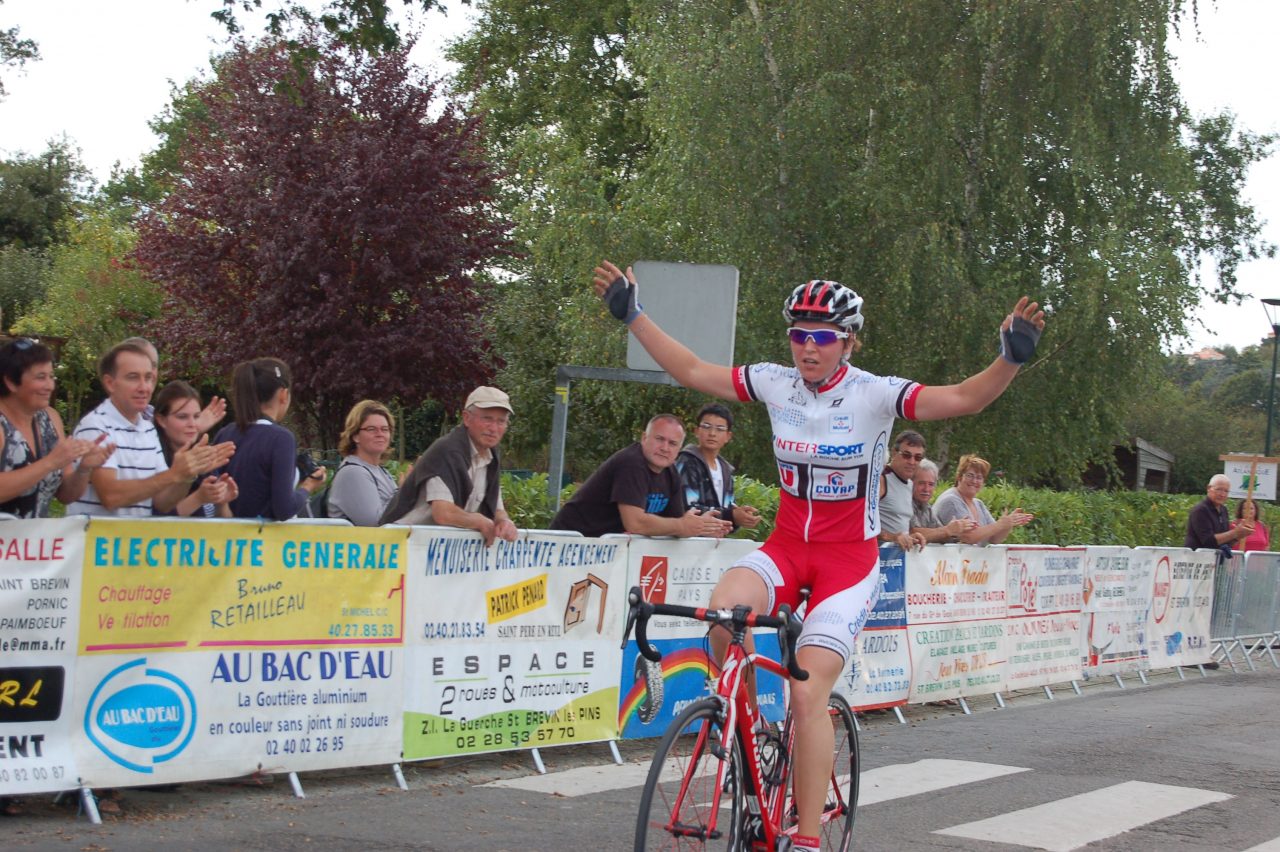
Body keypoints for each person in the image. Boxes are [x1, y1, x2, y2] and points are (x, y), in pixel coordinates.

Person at [590, 258, 1044, 850]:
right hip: (786, 548)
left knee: (807, 692)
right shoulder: (776, 381)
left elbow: (962, 398)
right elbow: (694, 369)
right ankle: (748, 741)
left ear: (848, 340)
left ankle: (805, 837)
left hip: (847, 563)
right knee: (725, 617)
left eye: (822, 337)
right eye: (798, 335)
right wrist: (635, 317)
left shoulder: (874, 394)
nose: (808, 347)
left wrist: (1008, 360)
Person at [65, 342, 233, 517]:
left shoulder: (147, 428)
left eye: (148, 378)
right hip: (95, 542)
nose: (144, 387)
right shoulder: (95, 426)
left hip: (132, 542)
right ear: (110, 383)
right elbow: (111, 496)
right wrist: (174, 474)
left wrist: (188, 475)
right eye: (133, 377)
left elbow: (163, 502)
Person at [550, 413, 734, 539]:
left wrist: (703, 527)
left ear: (679, 449)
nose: (665, 448)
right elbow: (636, 523)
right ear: (644, 438)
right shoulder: (631, 463)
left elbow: (675, 523)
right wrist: (682, 526)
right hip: (570, 545)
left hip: (606, 554)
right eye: (659, 439)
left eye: (672, 443)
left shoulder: (671, 473)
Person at [378, 386, 518, 544]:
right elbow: (443, 513)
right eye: (487, 419)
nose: (494, 428)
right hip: (402, 547)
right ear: (466, 418)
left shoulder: (491, 455)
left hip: (432, 551)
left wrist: (505, 522)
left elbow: (496, 507)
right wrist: (480, 521)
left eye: (501, 421)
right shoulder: (446, 451)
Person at [0, 338, 115, 518]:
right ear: (11, 382)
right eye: (41, 377)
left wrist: (84, 468)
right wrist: (50, 463)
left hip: (36, 543)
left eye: (51, 376)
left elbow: (66, 495)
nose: (50, 386)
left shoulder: (50, 419)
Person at [214, 358, 326, 520]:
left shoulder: (224, 434)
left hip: (225, 538)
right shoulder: (281, 438)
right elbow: (283, 509)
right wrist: (308, 486)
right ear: (283, 394)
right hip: (265, 541)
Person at [153, 380, 238, 518]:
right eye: (182, 417)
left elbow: (223, 524)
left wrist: (222, 501)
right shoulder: (154, 459)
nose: (192, 424)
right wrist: (198, 498)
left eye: (197, 416)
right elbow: (156, 521)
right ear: (161, 420)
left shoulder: (203, 455)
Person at [675, 402, 761, 533]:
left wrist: (740, 516)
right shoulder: (687, 461)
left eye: (720, 429)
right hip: (686, 542)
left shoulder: (726, 470)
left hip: (713, 543)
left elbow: (727, 508)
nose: (712, 433)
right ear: (696, 431)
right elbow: (688, 509)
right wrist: (731, 516)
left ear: (728, 436)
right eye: (706, 427)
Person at [121, 336, 226, 433]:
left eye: (152, 365)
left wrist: (192, 430)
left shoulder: (151, 414)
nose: (147, 372)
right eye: (137, 366)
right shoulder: (108, 424)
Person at [933, 454, 1033, 546]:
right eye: (970, 475)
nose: (974, 481)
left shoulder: (978, 504)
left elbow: (994, 538)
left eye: (979, 477)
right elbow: (968, 537)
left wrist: (1008, 524)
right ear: (959, 477)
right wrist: (1000, 524)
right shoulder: (951, 501)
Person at [327, 400, 399, 526]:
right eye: (372, 429)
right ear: (355, 436)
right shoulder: (353, 473)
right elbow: (374, 523)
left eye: (385, 429)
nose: (380, 434)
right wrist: (404, 492)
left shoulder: (381, 471)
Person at [878, 429, 928, 550]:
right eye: (906, 455)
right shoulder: (881, 479)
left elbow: (898, 527)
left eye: (918, 457)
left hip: (897, 560)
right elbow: (859, 523)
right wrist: (893, 537)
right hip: (876, 556)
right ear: (894, 453)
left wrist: (911, 537)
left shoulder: (909, 484)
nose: (912, 462)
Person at [909, 458, 976, 544]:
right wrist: (948, 530)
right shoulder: (905, 503)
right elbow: (913, 532)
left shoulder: (927, 508)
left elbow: (940, 534)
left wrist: (958, 531)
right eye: (921, 483)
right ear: (911, 482)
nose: (926, 489)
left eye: (931, 484)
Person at [1186, 474, 1252, 555]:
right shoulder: (1200, 510)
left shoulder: (1223, 510)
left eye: (1226, 491)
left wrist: (1239, 535)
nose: (1222, 494)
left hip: (1215, 562)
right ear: (1209, 488)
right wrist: (1235, 533)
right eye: (1219, 489)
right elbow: (1208, 541)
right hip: (1197, 562)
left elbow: (1224, 542)